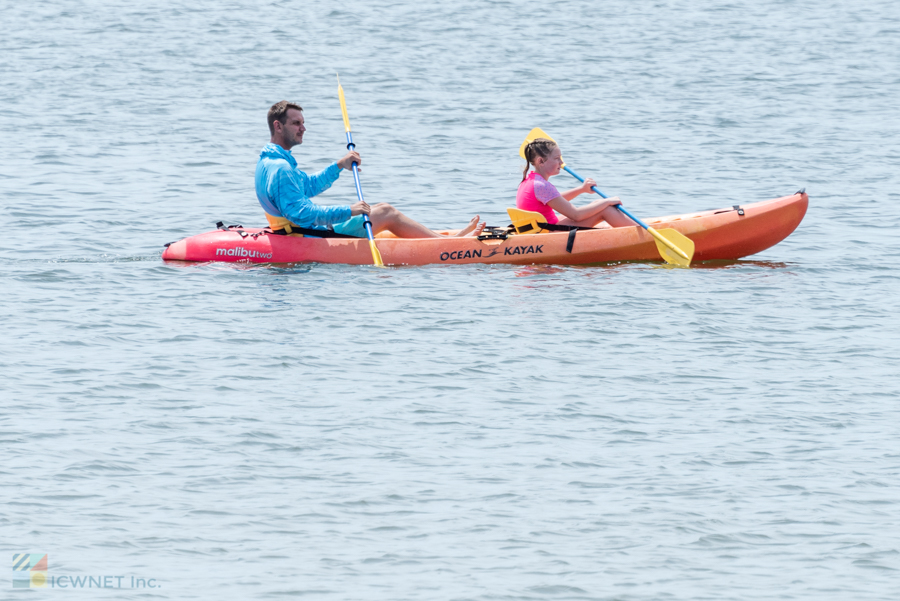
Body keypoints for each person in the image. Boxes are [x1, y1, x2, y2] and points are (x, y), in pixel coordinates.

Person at [256, 101, 485, 238]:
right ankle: (449, 245)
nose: (303, 128)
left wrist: (339, 166)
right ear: (278, 126)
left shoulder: (269, 161)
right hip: (309, 235)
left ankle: (443, 238)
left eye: (303, 123)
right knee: (386, 212)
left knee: (381, 212)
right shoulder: (281, 168)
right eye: (296, 123)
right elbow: (306, 215)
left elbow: (308, 186)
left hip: (299, 230)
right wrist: (350, 210)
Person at [518, 138, 632, 228]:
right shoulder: (542, 185)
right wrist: (608, 201)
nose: (561, 162)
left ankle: (632, 228)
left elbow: (555, 199)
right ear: (541, 161)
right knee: (606, 208)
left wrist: (581, 189)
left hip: (543, 228)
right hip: (549, 233)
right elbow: (576, 215)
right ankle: (642, 236)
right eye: (557, 158)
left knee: (597, 203)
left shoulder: (530, 181)